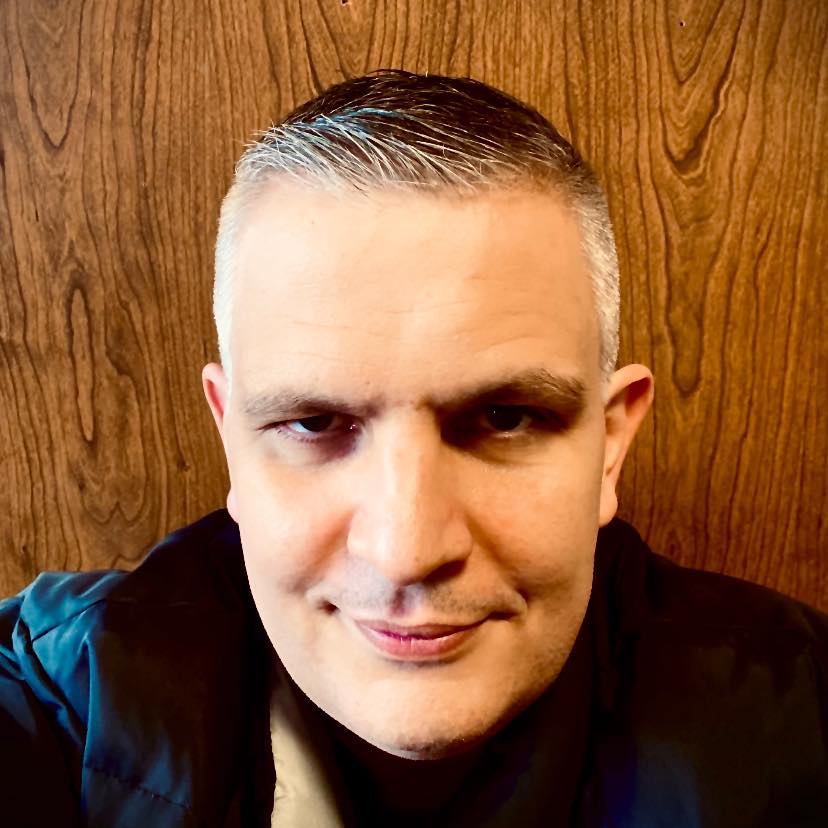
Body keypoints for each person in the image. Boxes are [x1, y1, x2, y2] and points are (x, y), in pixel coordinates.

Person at [1, 70, 826, 827]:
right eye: (313, 424)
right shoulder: (60, 705)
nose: (406, 551)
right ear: (232, 445)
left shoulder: (807, 723)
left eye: (504, 417)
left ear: (610, 446)